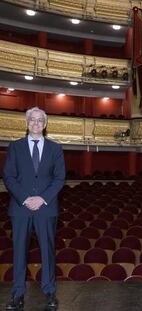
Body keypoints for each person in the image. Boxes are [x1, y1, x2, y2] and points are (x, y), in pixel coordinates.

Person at [3, 107, 65, 311]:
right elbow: (9, 176)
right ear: (26, 123)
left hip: (46, 209)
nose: (36, 123)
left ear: (45, 124)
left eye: (40, 120)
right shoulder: (15, 146)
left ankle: (49, 292)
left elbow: (59, 178)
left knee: (47, 252)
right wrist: (25, 199)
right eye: (32, 120)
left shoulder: (55, 148)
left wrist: (42, 199)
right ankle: (17, 294)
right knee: (19, 252)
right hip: (21, 208)